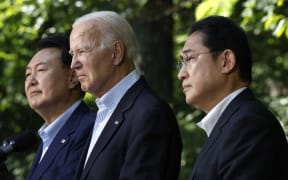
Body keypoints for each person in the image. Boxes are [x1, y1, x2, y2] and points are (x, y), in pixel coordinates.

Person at [69, 11, 182, 180]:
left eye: (82, 51)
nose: (74, 64)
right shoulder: (107, 111)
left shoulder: (149, 113)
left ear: (116, 52)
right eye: (72, 54)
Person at [177, 15, 288, 180]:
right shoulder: (231, 124)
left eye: (190, 58)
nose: (181, 74)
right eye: (181, 62)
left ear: (226, 61)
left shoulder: (249, 125)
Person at [25, 35, 95, 180]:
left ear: (73, 78)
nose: (31, 81)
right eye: (28, 73)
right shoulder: (48, 137)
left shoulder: (92, 128)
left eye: (41, 70)